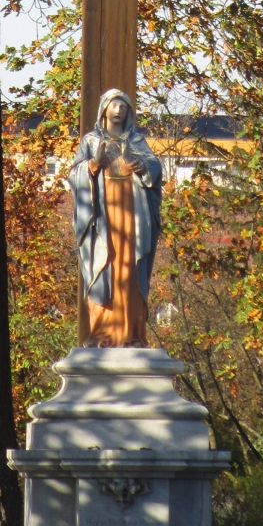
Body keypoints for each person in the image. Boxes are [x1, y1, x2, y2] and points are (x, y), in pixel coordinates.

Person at [66, 88, 162, 347]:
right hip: (103, 217)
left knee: (130, 270)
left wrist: (140, 165)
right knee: (103, 268)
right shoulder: (90, 141)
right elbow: (74, 175)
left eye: (123, 106)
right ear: (104, 109)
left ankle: (133, 335)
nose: (118, 110)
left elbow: (154, 168)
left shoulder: (137, 141)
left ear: (129, 111)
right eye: (114, 105)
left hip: (131, 214)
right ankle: (101, 334)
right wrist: (93, 164)